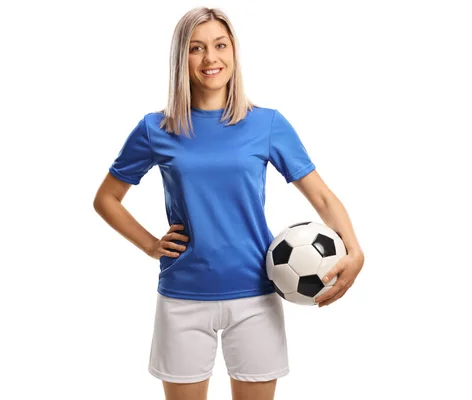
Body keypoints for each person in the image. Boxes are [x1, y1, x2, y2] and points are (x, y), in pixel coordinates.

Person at [93, 6, 364, 400]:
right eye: (196, 48)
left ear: (234, 51)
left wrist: (355, 250)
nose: (210, 58)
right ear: (180, 57)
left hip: (256, 293)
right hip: (183, 295)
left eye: (220, 45)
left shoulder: (266, 123)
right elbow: (106, 199)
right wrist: (152, 245)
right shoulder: (156, 129)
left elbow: (321, 195)